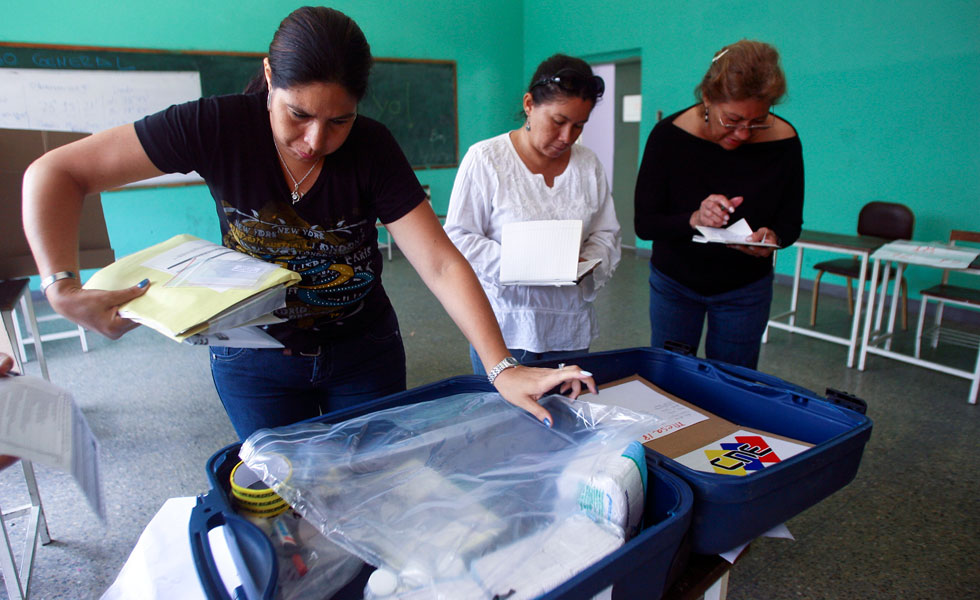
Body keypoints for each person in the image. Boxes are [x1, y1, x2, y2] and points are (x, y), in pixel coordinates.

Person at [21, 7, 595, 439]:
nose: (316, 141)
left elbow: (442, 263)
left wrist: (500, 368)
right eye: (298, 115)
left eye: (339, 120)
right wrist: (60, 285)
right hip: (253, 358)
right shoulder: (216, 124)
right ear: (269, 76)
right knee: (282, 495)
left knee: (371, 480)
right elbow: (56, 173)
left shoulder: (371, 148)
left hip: (362, 351)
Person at [444, 54, 621, 375]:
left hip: (568, 326)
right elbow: (459, 236)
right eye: (558, 121)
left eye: (579, 125)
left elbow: (605, 232)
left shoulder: (587, 164)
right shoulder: (486, 159)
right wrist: (526, 264)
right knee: (504, 418)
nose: (568, 137)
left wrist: (587, 263)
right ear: (529, 104)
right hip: (506, 326)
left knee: (565, 413)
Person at [633, 40, 803, 369]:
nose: (742, 134)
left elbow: (790, 223)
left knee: (734, 384)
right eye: (733, 120)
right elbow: (646, 224)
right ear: (708, 98)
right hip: (675, 283)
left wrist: (772, 238)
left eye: (757, 121)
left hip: (745, 288)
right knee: (671, 378)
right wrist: (695, 217)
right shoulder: (668, 136)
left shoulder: (784, 142)